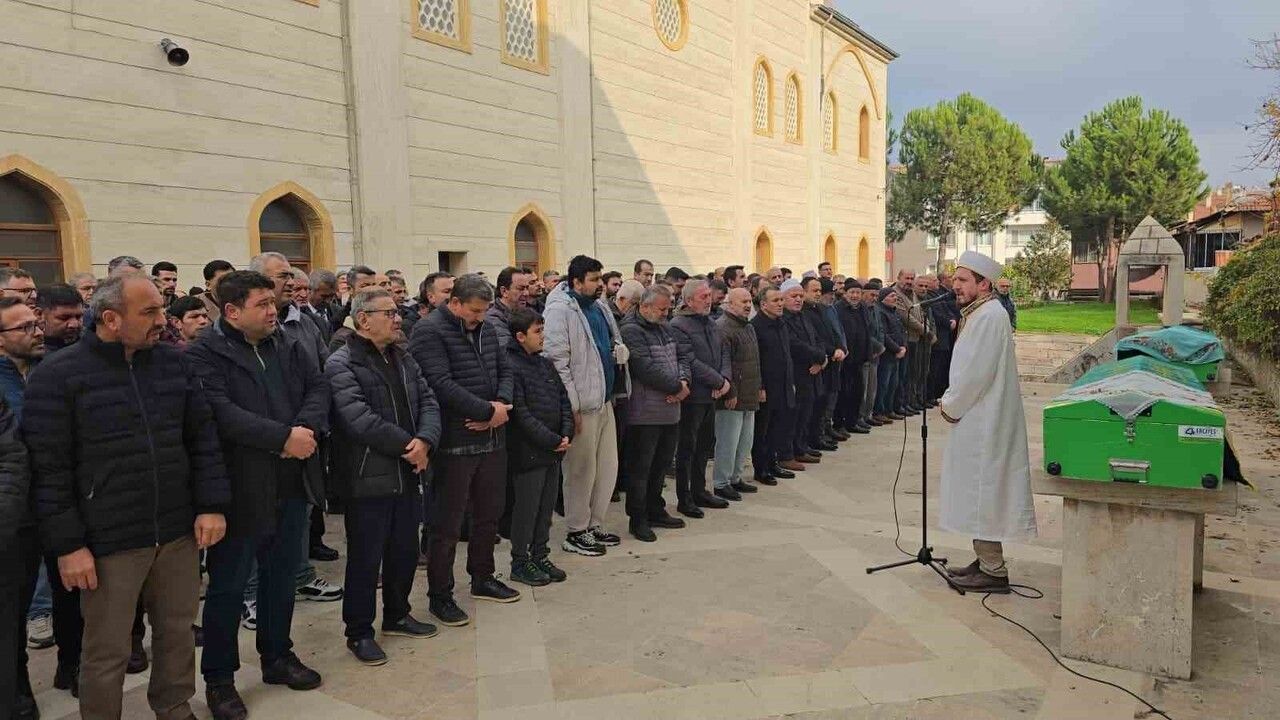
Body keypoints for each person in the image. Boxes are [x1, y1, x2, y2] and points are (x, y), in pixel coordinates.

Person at [26, 273, 230, 720]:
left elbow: (202, 439)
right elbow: (49, 470)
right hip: (106, 541)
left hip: (176, 531)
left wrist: (211, 504)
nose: (163, 319)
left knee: (176, 631)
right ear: (111, 319)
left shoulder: (175, 364)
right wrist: (68, 546)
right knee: (106, 648)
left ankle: (175, 705)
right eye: (151, 312)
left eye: (161, 308)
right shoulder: (58, 376)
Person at [186, 270, 331, 720]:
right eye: (263, 304)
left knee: (281, 575)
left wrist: (302, 431)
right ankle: (219, 678)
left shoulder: (287, 343)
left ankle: (277, 656)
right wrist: (283, 438)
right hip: (240, 486)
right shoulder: (204, 354)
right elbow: (220, 414)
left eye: (274, 302)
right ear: (231, 311)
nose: (274, 310)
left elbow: (318, 387)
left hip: (290, 480)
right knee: (229, 587)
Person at [326, 288, 441, 666]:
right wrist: (411, 444)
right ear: (363, 319)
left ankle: (397, 614)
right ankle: (359, 631)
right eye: (388, 313)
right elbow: (357, 418)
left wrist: (425, 440)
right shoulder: (341, 363)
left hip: (408, 470)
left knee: (404, 548)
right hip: (367, 476)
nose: (397, 319)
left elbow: (428, 400)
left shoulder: (402, 357)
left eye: (396, 312)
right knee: (365, 557)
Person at [410, 274, 521, 629]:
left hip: (492, 437)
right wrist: (485, 412)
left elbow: (506, 369)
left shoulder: (486, 328)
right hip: (455, 441)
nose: (480, 317)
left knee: (489, 513)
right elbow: (438, 384)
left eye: (485, 310)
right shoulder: (429, 332)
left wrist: (500, 407)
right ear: (454, 303)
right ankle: (440, 594)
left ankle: (483, 577)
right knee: (447, 523)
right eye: (474, 310)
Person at [940, 252, 1036, 593]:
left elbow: (976, 374)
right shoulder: (982, 312)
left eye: (964, 280)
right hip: (978, 418)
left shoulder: (990, 317)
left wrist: (951, 404)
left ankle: (994, 570)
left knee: (984, 492)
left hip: (984, 421)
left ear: (984, 284)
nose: (956, 286)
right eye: (955, 279)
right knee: (976, 492)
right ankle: (984, 560)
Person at [543, 255, 628, 556]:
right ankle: (576, 530)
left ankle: (595, 524)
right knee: (581, 470)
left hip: (604, 399)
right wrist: (572, 407)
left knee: (607, 468)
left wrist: (618, 351)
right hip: (582, 405)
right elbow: (557, 363)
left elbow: (605, 342)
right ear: (576, 281)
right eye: (593, 280)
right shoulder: (559, 310)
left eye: (599, 279)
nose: (599, 285)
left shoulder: (599, 305)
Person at [504, 307, 573, 586]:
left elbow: (563, 400)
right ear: (520, 336)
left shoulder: (544, 364)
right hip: (529, 451)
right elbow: (520, 414)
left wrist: (565, 432)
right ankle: (520, 561)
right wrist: (551, 439)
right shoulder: (510, 365)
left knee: (545, 509)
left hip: (553, 450)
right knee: (527, 510)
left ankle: (540, 554)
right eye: (538, 331)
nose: (543, 336)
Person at [618, 287, 689, 542]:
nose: (666, 313)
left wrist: (683, 381)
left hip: (670, 409)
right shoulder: (631, 331)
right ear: (645, 307)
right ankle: (638, 519)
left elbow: (682, 356)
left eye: (668, 308)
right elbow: (643, 367)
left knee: (660, 465)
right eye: (661, 309)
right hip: (644, 412)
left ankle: (655, 509)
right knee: (641, 469)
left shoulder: (665, 327)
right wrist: (677, 387)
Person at [670, 280, 731, 518]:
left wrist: (724, 379)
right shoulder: (679, 325)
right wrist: (717, 381)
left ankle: (700, 490)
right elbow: (689, 361)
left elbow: (723, 351)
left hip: (712, 395)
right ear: (688, 301)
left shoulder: (711, 322)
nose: (708, 299)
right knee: (688, 448)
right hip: (693, 397)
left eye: (709, 295)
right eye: (703, 296)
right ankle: (684, 498)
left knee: (705, 446)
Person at [713, 287, 762, 499]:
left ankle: (735, 477)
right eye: (742, 301)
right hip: (732, 397)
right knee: (728, 442)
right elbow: (723, 364)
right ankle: (721, 482)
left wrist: (759, 387)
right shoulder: (723, 328)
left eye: (749, 300)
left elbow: (755, 362)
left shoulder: (748, 327)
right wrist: (730, 392)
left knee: (744, 442)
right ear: (729, 304)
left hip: (749, 393)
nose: (747, 305)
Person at [750, 286, 798, 481]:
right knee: (763, 429)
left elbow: (787, 355)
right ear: (763, 304)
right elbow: (755, 359)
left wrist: (791, 381)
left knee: (777, 427)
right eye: (776, 301)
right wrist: (760, 386)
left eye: (781, 300)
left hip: (783, 384)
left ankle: (773, 463)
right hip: (766, 387)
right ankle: (761, 468)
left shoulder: (781, 323)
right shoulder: (756, 326)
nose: (780, 304)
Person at [780, 280, 826, 464]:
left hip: (812, 372)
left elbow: (818, 339)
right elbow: (795, 345)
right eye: (794, 296)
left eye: (800, 296)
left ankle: (801, 447)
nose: (798, 300)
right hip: (796, 373)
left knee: (806, 413)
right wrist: (818, 357)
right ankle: (787, 453)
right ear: (783, 298)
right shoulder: (783, 319)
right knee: (792, 416)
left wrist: (821, 358)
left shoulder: (803, 315)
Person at [835, 279, 872, 434]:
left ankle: (853, 420)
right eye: (852, 292)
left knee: (858, 391)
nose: (855, 296)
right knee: (844, 393)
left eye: (858, 293)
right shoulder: (839, 309)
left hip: (859, 357)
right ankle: (840, 423)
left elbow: (867, 331)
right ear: (845, 294)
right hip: (845, 359)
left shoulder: (863, 308)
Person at [873, 288, 906, 424]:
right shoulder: (880, 312)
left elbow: (901, 330)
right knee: (884, 384)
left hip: (897, 354)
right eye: (892, 296)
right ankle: (879, 411)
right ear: (883, 298)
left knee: (894, 383)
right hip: (888, 353)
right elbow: (884, 335)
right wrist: (897, 348)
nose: (895, 298)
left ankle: (889, 409)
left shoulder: (894, 312)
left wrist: (903, 346)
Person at [487, 266, 530, 348]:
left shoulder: (525, 314)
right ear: (504, 291)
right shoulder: (493, 319)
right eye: (521, 288)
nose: (526, 293)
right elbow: (508, 351)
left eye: (527, 288)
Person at [35, 283, 83, 352]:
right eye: (64, 318)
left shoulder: (92, 346)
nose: (74, 324)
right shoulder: (28, 355)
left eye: (78, 317)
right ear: (39, 315)